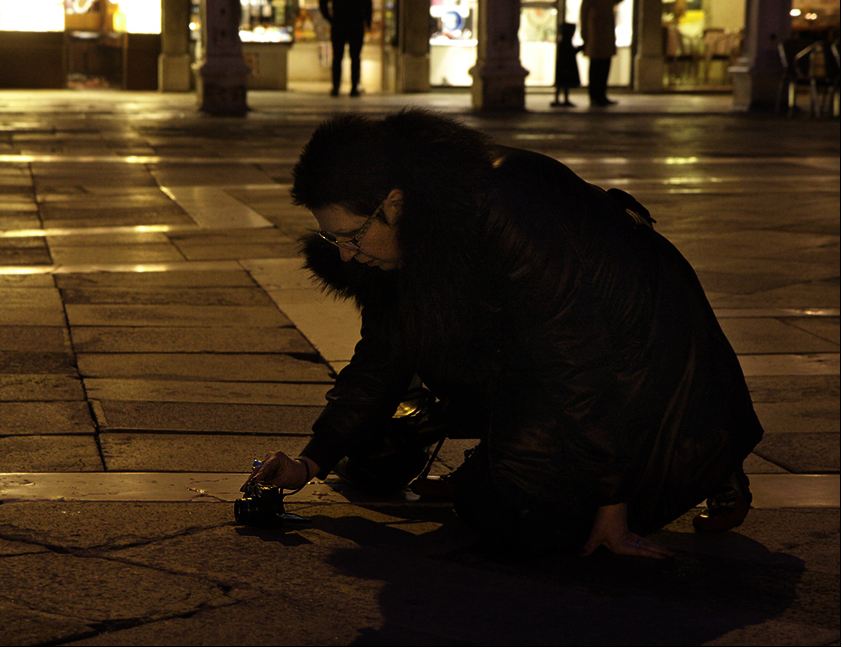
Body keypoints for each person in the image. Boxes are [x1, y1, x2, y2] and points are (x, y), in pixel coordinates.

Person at [244, 109, 763, 559]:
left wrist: (612, 508)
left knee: (510, 515)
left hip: (644, 350)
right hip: (534, 358)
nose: (344, 254)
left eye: (351, 237)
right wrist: (309, 462)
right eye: (330, 238)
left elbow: (575, 360)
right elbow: (381, 357)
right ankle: (510, 452)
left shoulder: (506, 207)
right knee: (378, 455)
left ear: (394, 205)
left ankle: (706, 458)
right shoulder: (409, 239)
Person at [319, 0, 372, 97]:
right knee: (355, 57)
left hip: (339, 23)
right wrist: (368, 22)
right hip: (356, 24)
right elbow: (368, 4)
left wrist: (329, 18)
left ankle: (336, 87)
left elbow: (322, 1)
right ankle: (354, 87)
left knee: (338, 57)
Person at [580, 0, 628, 106]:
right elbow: (585, 10)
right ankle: (596, 95)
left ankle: (600, 95)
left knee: (603, 65)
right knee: (597, 66)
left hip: (604, 33)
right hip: (597, 33)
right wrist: (585, 33)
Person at [551, 22, 581, 107]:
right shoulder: (565, 42)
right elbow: (569, 53)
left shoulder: (564, 41)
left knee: (563, 84)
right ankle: (560, 100)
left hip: (564, 66)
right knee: (563, 84)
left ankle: (561, 100)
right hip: (565, 66)